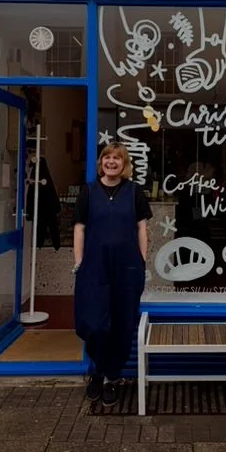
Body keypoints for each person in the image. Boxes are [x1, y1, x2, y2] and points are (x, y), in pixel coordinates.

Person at [73, 142, 152, 407]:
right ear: (101, 163)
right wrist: (79, 262)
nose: (111, 161)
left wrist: (142, 260)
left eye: (117, 158)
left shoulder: (134, 192)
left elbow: (142, 228)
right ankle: (97, 369)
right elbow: (80, 228)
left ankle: (111, 377)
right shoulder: (89, 191)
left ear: (124, 164)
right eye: (107, 157)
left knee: (122, 323)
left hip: (128, 267)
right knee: (94, 323)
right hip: (94, 267)